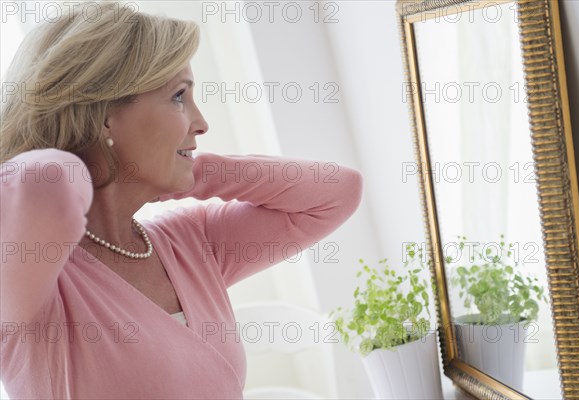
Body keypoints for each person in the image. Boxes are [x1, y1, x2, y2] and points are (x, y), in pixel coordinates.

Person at [0, 1, 363, 399]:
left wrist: (193, 176)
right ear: (104, 115)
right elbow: (43, 186)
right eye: (178, 97)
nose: (201, 122)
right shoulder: (30, 278)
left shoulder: (190, 242)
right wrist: (102, 167)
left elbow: (338, 193)